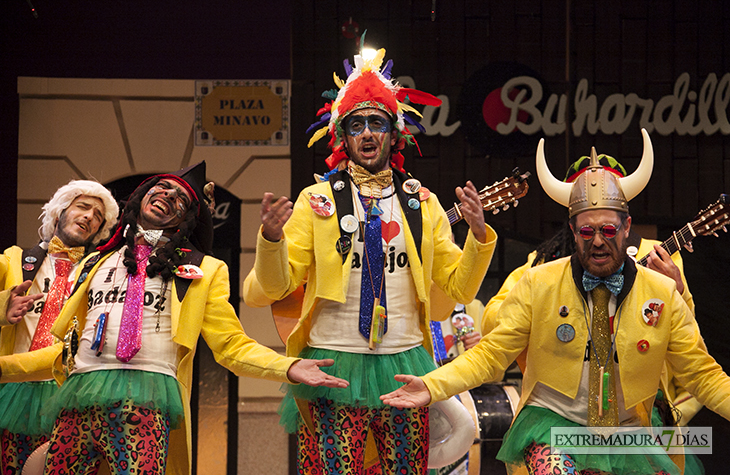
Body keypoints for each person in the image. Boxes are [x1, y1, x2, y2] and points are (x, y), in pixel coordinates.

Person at [381, 130, 730, 475]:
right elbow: (491, 356)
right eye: (586, 231)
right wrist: (431, 385)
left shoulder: (661, 290)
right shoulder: (539, 281)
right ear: (572, 230)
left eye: (608, 231)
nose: (597, 242)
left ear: (626, 227)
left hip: (628, 432)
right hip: (554, 427)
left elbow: (703, 375)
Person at [0, 162, 349, 475]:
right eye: (161, 188)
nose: (167, 196)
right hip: (79, 396)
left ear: (186, 221)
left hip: (146, 400)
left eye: (180, 199)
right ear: (139, 198)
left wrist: (286, 367)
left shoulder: (203, 271)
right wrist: (6, 368)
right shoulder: (94, 263)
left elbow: (230, 345)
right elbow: (66, 352)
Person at [243, 46, 497, 475]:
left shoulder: (422, 203)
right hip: (333, 360)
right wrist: (270, 239)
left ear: (394, 134)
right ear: (341, 137)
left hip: (404, 361)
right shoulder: (316, 200)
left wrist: (477, 237)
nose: (366, 133)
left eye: (376, 123)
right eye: (355, 125)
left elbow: (458, 287)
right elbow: (271, 288)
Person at [482, 154, 704, 429]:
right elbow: (492, 323)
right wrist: (536, 308)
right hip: (562, 407)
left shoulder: (656, 254)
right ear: (573, 220)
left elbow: (689, 338)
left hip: (636, 408)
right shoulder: (544, 264)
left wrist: (678, 291)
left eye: (608, 226)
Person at [0, 180, 119, 473]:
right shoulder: (14, 259)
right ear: (60, 211)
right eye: (82, 206)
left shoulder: (100, 272)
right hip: (14, 390)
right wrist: (1, 309)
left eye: (98, 215)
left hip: (71, 393)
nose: (90, 216)